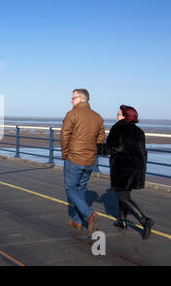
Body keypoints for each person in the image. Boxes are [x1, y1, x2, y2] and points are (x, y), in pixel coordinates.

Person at [97, 105, 154, 239]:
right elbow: (143, 151)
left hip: (123, 167)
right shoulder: (139, 131)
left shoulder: (117, 128)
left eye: (119, 113)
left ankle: (144, 220)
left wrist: (93, 146)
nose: (116, 116)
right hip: (137, 167)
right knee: (125, 193)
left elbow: (109, 149)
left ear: (125, 116)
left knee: (122, 196)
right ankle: (122, 221)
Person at [60, 89, 105, 237]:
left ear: (80, 98)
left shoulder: (72, 114)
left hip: (74, 158)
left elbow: (64, 135)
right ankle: (77, 220)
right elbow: (100, 140)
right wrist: (92, 152)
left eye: (72, 98)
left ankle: (89, 214)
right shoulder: (98, 117)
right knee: (81, 189)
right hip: (89, 160)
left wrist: (65, 154)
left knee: (70, 189)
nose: (71, 101)